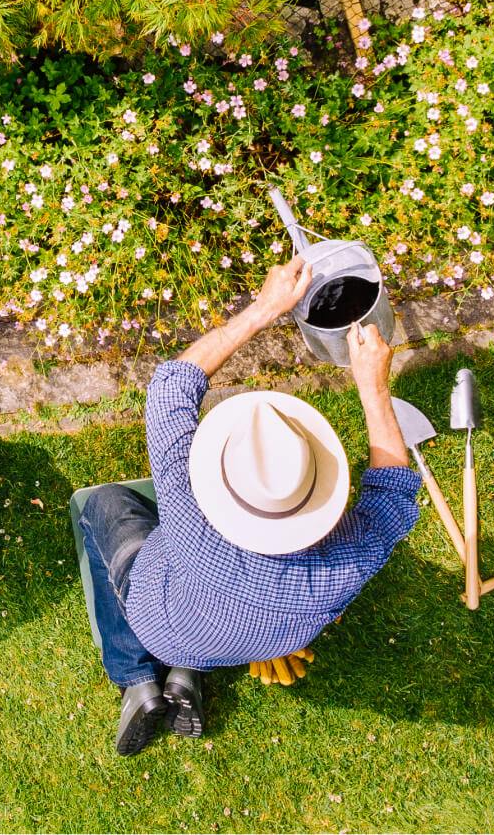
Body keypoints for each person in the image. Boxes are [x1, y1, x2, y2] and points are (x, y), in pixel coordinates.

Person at [78, 255, 421, 755]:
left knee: (105, 506)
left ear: (219, 478)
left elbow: (171, 386)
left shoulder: (188, 505)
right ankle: (186, 677)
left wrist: (263, 308)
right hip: (245, 644)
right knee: (203, 613)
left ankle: (137, 679)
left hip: (163, 617)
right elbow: (393, 493)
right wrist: (373, 386)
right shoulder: (341, 568)